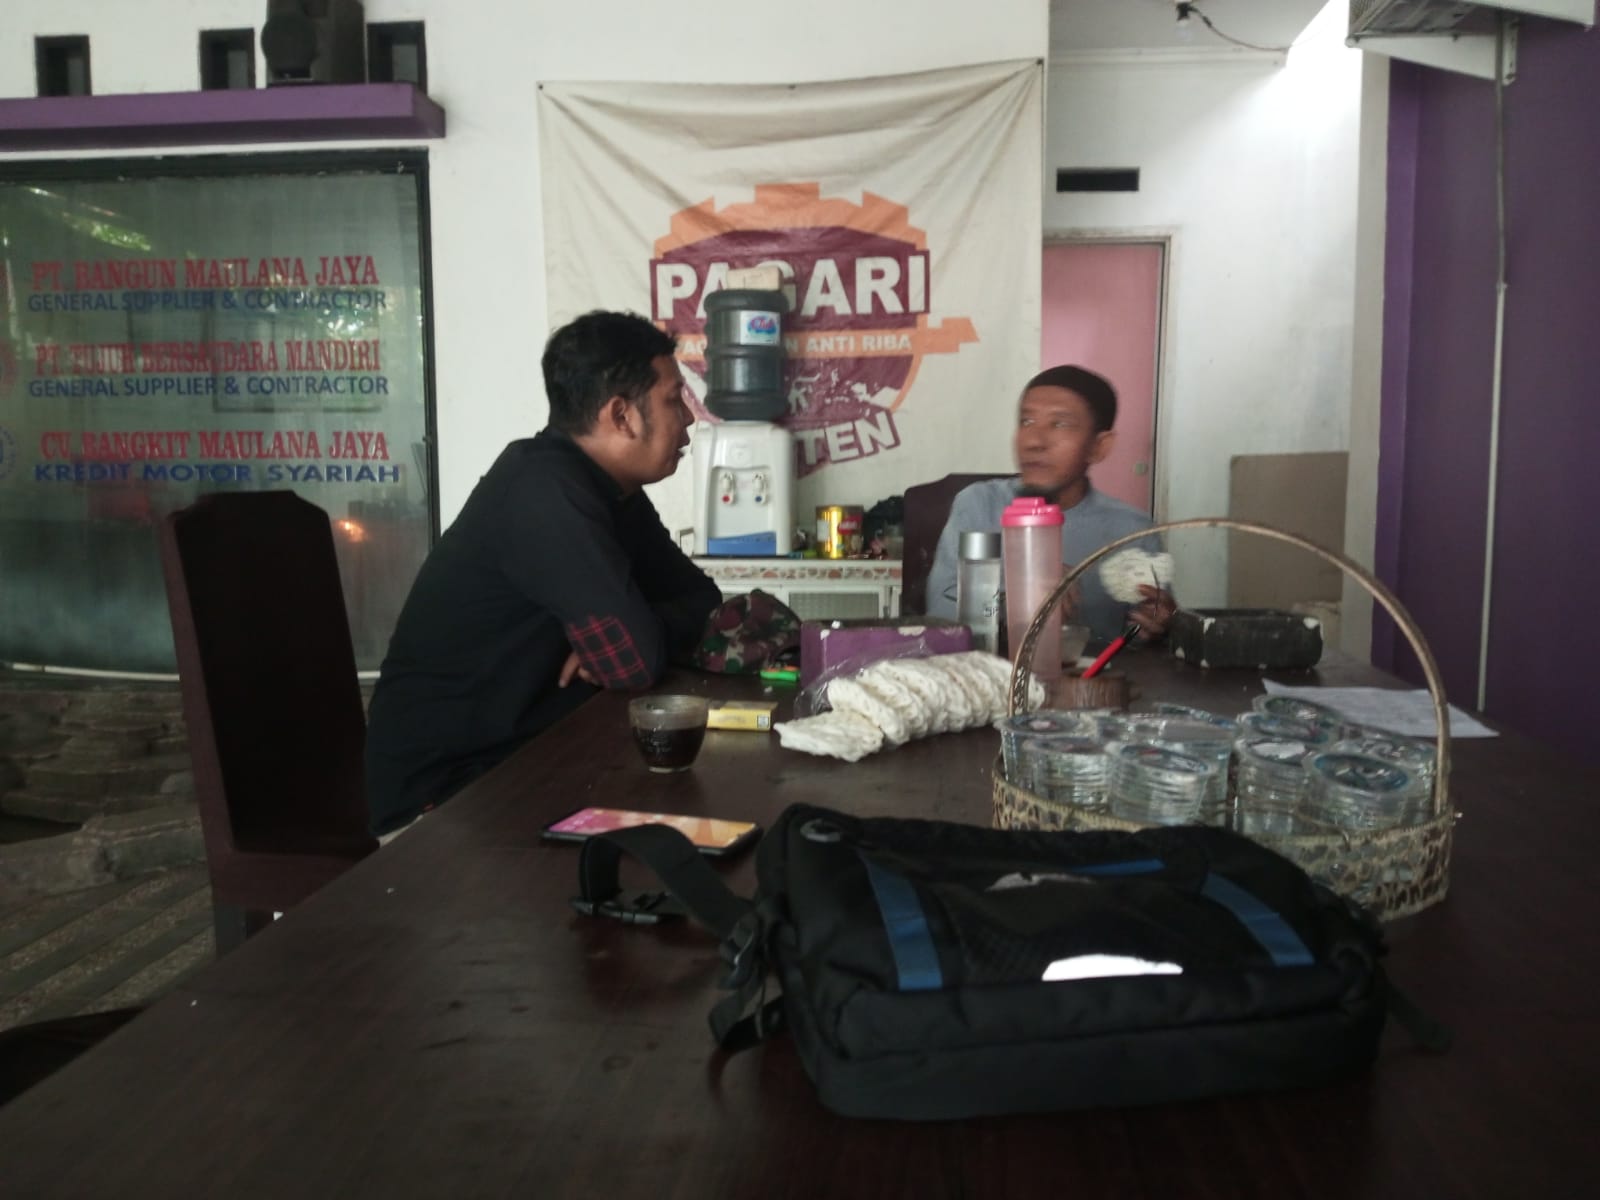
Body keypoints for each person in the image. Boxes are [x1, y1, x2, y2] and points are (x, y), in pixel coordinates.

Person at [364, 311, 724, 836]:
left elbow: (706, 604)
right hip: (443, 800)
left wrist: (643, 627)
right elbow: (635, 663)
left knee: (698, 821)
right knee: (679, 840)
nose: (689, 418)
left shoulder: (611, 492)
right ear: (621, 415)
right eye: (674, 400)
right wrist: (638, 634)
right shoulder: (544, 488)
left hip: (532, 760)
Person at [925, 364, 1174, 650]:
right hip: (993, 671)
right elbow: (942, 615)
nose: (1034, 441)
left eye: (1059, 424)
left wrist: (1159, 625)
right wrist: (1019, 598)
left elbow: (1147, 633)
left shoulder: (1132, 531)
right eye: (1027, 421)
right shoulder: (981, 507)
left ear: (1099, 446)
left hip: (1094, 676)